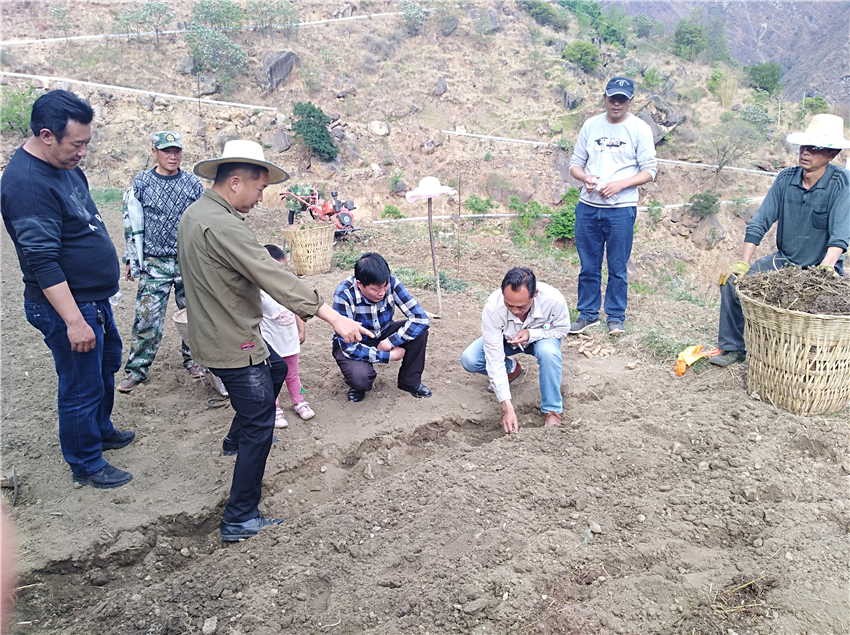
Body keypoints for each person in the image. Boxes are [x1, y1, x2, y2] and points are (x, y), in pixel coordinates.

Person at [178, 140, 370, 541]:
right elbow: (274, 276)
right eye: (259, 189)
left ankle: (235, 439)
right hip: (233, 340)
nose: (260, 198)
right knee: (260, 423)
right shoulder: (225, 226)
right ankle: (240, 517)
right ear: (235, 182)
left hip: (214, 331)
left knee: (278, 367)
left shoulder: (196, 213)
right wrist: (333, 316)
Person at [0, 90, 134, 489]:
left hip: (93, 297)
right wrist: (74, 321)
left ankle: (101, 430)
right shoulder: (26, 184)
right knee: (80, 384)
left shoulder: (65, 166)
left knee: (105, 366)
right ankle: (86, 462)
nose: (83, 152)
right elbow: (42, 261)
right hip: (66, 305)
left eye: (87, 143)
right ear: (47, 135)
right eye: (76, 144)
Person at [712, 114, 850, 366]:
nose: (806, 152)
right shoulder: (785, 179)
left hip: (821, 268)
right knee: (732, 282)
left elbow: (840, 235)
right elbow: (760, 222)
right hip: (784, 262)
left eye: (815, 148)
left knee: (817, 309)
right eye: (804, 145)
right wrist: (744, 262)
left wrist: (825, 270)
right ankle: (733, 347)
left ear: (832, 154)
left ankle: (810, 363)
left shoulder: (841, 182)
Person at [568, 76, 657, 335]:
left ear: (630, 100)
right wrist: (585, 178)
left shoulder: (640, 129)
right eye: (612, 98)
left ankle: (615, 316)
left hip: (621, 209)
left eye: (622, 99)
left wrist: (620, 185)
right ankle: (587, 314)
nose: (616, 103)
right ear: (604, 97)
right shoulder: (591, 125)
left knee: (618, 266)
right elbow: (575, 164)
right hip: (588, 206)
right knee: (588, 265)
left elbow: (650, 171)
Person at [118, 131, 205, 392]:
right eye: (167, 151)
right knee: (147, 319)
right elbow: (131, 221)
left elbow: (204, 220)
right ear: (154, 151)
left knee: (195, 315)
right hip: (154, 263)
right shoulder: (142, 182)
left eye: (177, 151)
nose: (173, 156)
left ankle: (195, 360)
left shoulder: (192, 184)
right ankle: (137, 370)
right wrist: (131, 257)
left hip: (188, 261)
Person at [461, 267, 570, 434]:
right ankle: (511, 370)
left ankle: (552, 410)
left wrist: (532, 333)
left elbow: (561, 329)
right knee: (470, 359)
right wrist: (507, 408)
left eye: (521, 307)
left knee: (549, 353)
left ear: (535, 294)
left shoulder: (553, 300)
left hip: (542, 338)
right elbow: (494, 356)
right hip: (507, 341)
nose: (515, 311)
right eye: (509, 305)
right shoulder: (493, 307)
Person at [332, 253, 431, 402]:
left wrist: (390, 342)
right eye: (376, 289)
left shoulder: (392, 283)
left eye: (385, 286)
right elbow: (349, 347)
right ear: (359, 284)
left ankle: (410, 382)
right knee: (360, 378)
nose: (382, 293)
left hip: (384, 332)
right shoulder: (344, 294)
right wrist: (388, 356)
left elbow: (421, 319)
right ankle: (358, 387)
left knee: (419, 331)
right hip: (354, 340)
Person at [260, 244, 315, 427]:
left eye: (285, 269)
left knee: (293, 375)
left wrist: (302, 330)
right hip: (271, 345)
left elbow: (296, 309)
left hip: (290, 343)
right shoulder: (260, 293)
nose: (283, 273)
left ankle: (300, 401)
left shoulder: (288, 289)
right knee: (271, 377)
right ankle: (274, 408)